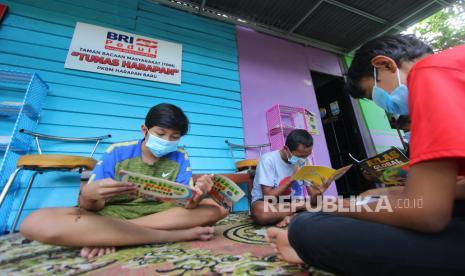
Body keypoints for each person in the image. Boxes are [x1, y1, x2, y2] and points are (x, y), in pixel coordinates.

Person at [267, 35, 465, 274]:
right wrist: (391, 192)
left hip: (431, 216)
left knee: (306, 226)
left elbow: (425, 213)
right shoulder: (454, 65)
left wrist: (334, 205)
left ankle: (302, 244)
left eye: (374, 95)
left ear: (385, 65)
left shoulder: (426, 75)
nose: (386, 108)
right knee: (375, 205)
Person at [20, 103, 229, 259]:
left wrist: (198, 194)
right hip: (109, 215)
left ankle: (113, 234)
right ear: (144, 130)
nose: (167, 141)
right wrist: (89, 196)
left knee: (216, 208)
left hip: (161, 214)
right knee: (34, 222)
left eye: (174, 137)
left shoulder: (180, 156)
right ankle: (170, 236)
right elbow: (90, 206)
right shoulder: (117, 151)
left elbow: (186, 203)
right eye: (160, 133)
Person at [251, 129, 333, 226]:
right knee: (261, 213)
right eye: (300, 156)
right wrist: (292, 179)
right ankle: (296, 213)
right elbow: (268, 197)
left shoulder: (306, 162)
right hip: (267, 202)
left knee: (323, 205)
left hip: (292, 203)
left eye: (307, 155)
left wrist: (319, 192)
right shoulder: (268, 160)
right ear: (286, 149)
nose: (303, 159)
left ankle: (291, 216)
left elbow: (315, 201)